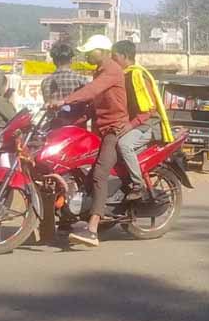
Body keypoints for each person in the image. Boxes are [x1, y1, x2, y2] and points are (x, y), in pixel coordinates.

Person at [52, 35, 128, 248]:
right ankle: (69, 218)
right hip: (99, 129)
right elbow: (92, 106)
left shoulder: (112, 70)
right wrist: (68, 121)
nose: (86, 55)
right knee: (79, 168)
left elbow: (91, 91)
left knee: (99, 174)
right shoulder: (99, 71)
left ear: (102, 51)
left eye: (89, 51)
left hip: (114, 129)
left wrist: (65, 100)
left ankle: (93, 230)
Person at [111, 40, 174, 200]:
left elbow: (149, 109)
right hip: (135, 125)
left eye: (114, 57)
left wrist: (129, 125)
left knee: (124, 145)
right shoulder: (123, 75)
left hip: (148, 124)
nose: (112, 60)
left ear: (124, 56)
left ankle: (138, 185)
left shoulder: (137, 75)